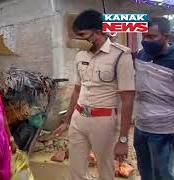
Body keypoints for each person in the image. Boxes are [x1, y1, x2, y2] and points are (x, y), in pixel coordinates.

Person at [53, 10, 135, 180]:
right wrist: (67, 120)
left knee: (105, 169)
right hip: (78, 118)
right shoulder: (81, 54)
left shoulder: (121, 55)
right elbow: (77, 89)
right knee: (76, 170)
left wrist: (123, 139)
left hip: (104, 122)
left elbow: (127, 100)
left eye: (82, 35)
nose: (79, 40)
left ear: (98, 31)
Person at [133, 17, 174, 180]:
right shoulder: (142, 55)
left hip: (164, 131)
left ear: (166, 36)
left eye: (151, 37)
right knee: (145, 172)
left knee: (162, 173)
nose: (146, 41)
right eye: (143, 36)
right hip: (141, 127)